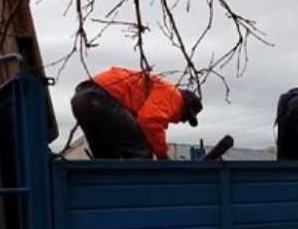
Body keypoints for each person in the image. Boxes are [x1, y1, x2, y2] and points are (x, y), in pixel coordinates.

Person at [71, 67, 203, 160]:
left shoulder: (153, 90)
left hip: (81, 99)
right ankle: (139, 195)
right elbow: (150, 121)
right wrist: (162, 155)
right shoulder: (174, 96)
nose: (183, 121)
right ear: (185, 106)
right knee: (141, 149)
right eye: (186, 117)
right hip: (101, 97)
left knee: (106, 157)